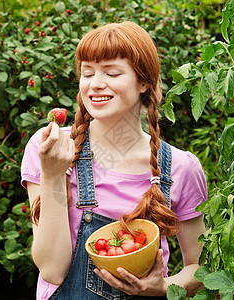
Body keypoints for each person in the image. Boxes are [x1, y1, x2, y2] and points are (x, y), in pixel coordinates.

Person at [21, 21, 208, 300]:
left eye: (112, 72)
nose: (95, 84)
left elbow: (201, 267)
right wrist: (52, 175)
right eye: (87, 73)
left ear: (144, 82)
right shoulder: (49, 148)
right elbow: (52, 270)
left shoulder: (180, 168)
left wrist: (165, 287)